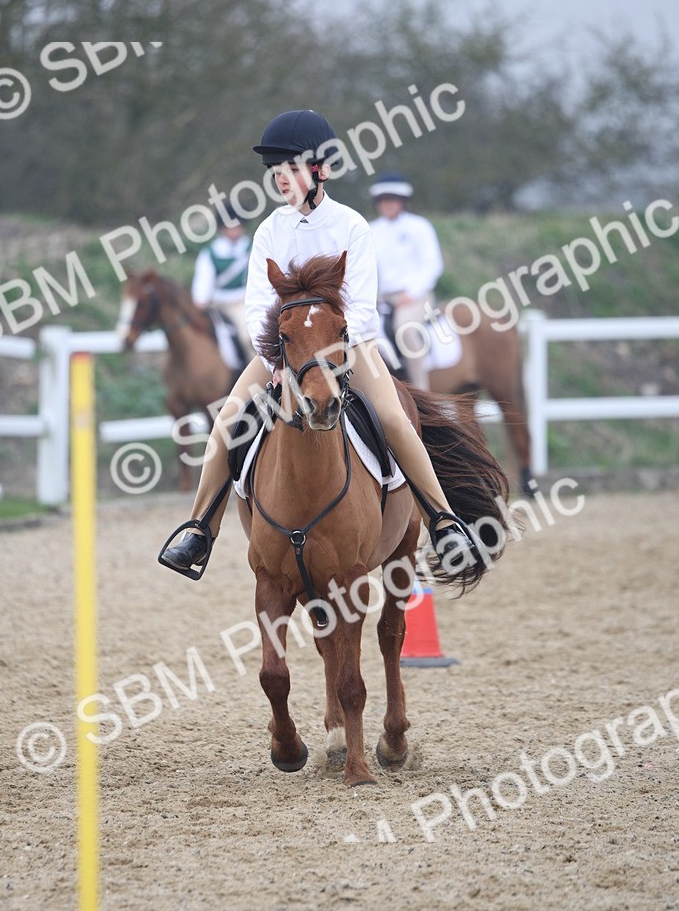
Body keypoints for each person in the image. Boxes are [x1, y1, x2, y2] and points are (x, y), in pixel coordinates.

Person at [159, 109, 480, 575]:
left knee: (393, 417)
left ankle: (444, 522)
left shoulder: (351, 226)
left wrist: (333, 356)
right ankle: (198, 530)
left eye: (288, 169)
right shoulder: (270, 229)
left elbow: (365, 307)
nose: (279, 180)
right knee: (227, 420)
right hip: (284, 351)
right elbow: (255, 306)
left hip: (350, 347)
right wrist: (274, 356)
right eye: (274, 172)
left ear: (319, 170)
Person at [369, 172, 444, 389]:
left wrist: (411, 293)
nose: (387, 205)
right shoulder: (371, 230)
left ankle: (422, 389)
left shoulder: (419, 227)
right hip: (382, 297)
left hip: (416, 296)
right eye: (383, 201)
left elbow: (432, 265)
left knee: (406, 329)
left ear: (402, 202)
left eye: (392, 200)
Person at [190, 201, 254, 363]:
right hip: (215, 305)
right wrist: (200, 300)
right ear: (222, 228)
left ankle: (258, 377)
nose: (233, 229)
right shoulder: (210, 253)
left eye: (236, 225)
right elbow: (203, 282)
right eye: (229, 226)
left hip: (242, 302)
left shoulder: (252, 248)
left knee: (248, 337)